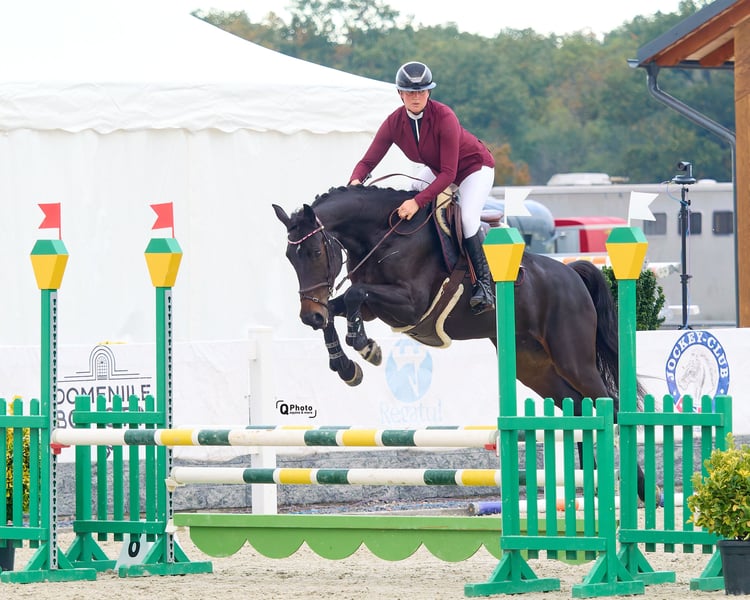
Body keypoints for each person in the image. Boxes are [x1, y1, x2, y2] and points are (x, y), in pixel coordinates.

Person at [349, 61, 496, 315]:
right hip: (440, 169)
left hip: (474, 168)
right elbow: (368, 162)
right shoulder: (394, 122)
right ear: (400, 93)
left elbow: (449, 174)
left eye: (421, 91)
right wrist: (354, 182)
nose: (416, 97)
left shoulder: (444, 116)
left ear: (429, 92)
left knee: (467, 219)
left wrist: (417, 202)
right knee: (411, 188)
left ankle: (484, 285)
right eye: (410, 92)